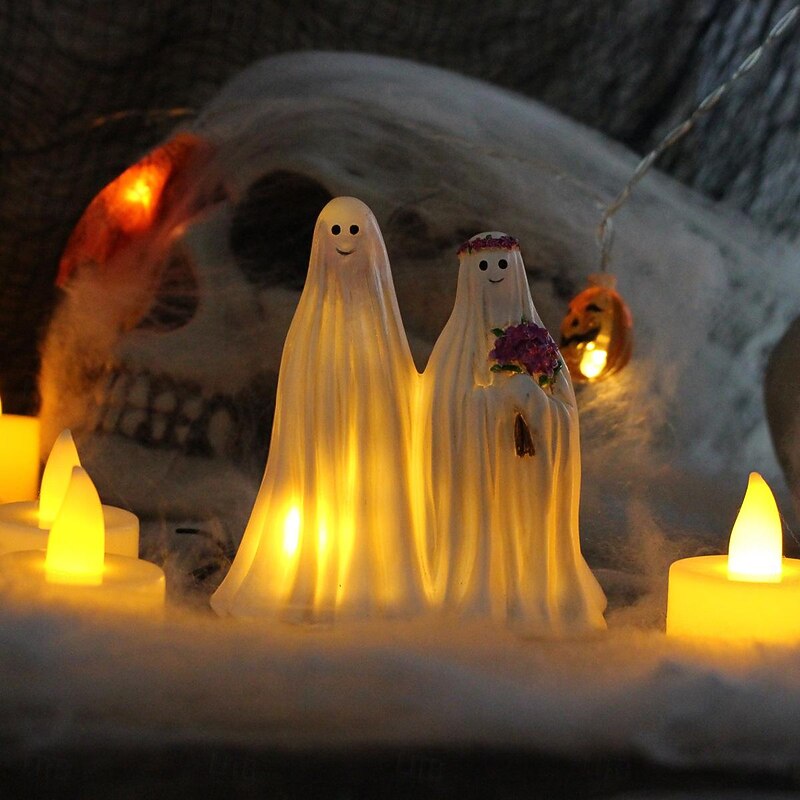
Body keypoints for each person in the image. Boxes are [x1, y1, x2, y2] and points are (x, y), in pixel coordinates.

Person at [212, 197, 424, 621]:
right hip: (317, 464)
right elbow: (297, 392)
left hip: (370, 459)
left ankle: (364, 580)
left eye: (354, 231)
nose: (345, 240)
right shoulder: (307, 327)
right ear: (320, 243)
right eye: (336, 231)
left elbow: (400, 389)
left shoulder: (384, 329)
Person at [416, 232, 606, 636]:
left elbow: (566, 413)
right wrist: (497, 402)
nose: (494, 273)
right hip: (479, 485)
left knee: (530, 536)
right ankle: (484, 595)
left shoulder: (542, 345)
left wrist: (537, 405)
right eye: (483, 266)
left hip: (529, 478)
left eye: (502, 264)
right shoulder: (453, 348)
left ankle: (535, 596)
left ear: (516, 271)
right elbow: (442, 413)